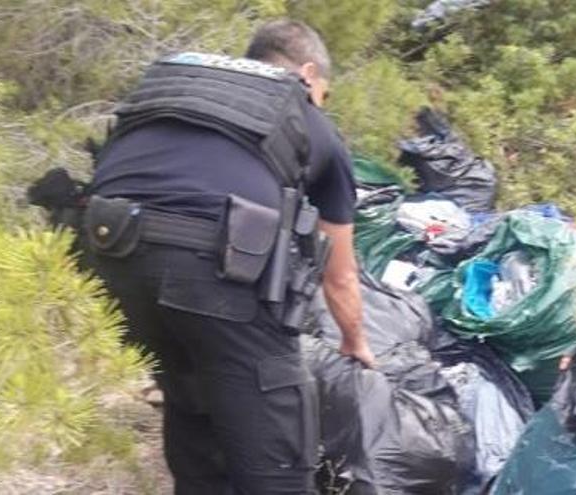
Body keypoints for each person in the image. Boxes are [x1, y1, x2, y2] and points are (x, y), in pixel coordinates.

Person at [80, 19, 374, 495]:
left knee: (191, 394)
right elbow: (339, 276)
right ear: (307, 73)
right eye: (325, 91)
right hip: (213, 266)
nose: (322, 102)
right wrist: (355, 341)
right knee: (278, 443)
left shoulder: (176, 90)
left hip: (110, 256)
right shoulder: (306, 116)